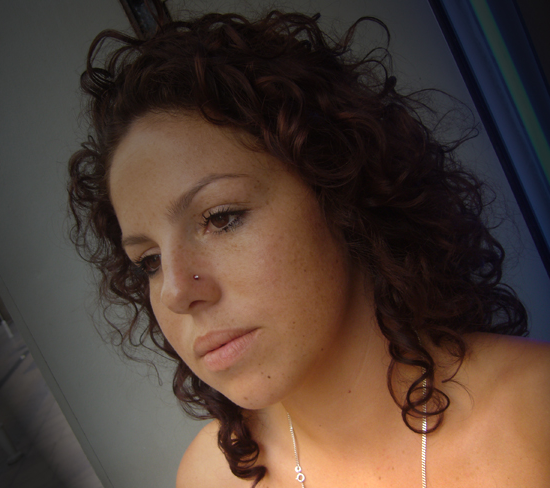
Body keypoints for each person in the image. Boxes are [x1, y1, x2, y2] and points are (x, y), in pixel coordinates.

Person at [68, 11, 550, 487]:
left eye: (221, 218)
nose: (175, 291)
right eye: (149, 262)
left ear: (338, 190)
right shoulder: (210, 479)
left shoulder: (535, 418)